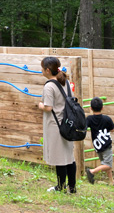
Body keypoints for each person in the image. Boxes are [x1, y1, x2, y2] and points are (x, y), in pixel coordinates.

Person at [37, 56, 77, 194]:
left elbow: (48, 107)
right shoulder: (65, 82)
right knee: (69, 157)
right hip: (68, 123)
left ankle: (60, 187)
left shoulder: (49, 86)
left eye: (42, 68)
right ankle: (72, 187)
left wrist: (40, 105)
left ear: (48, 70)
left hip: (56, 125)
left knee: (60, 158)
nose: (41, 71)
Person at [85, 97, 114, 186]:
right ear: (102, 107)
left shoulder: (89, 119)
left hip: (97, 145)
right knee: (108, 165)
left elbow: (85, 127)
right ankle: (92, 171)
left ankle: (111, 181)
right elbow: (112, 129)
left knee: (105, 164)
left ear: (91, 108)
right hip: (106, 145)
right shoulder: (107, 119)